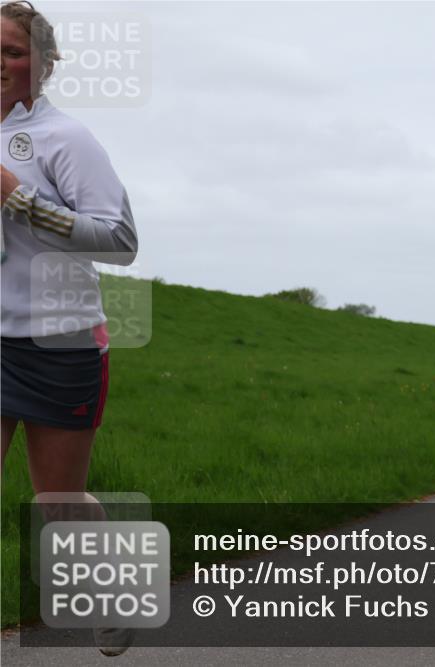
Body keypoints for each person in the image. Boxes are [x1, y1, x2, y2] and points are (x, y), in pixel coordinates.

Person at [1, 1, 138, 656]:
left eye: (12, 51)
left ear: (44, 65)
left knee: (58, 500)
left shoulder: (67, 139)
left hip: (59, 340)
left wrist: (20, 201)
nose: (0, 63)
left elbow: (118, 239)